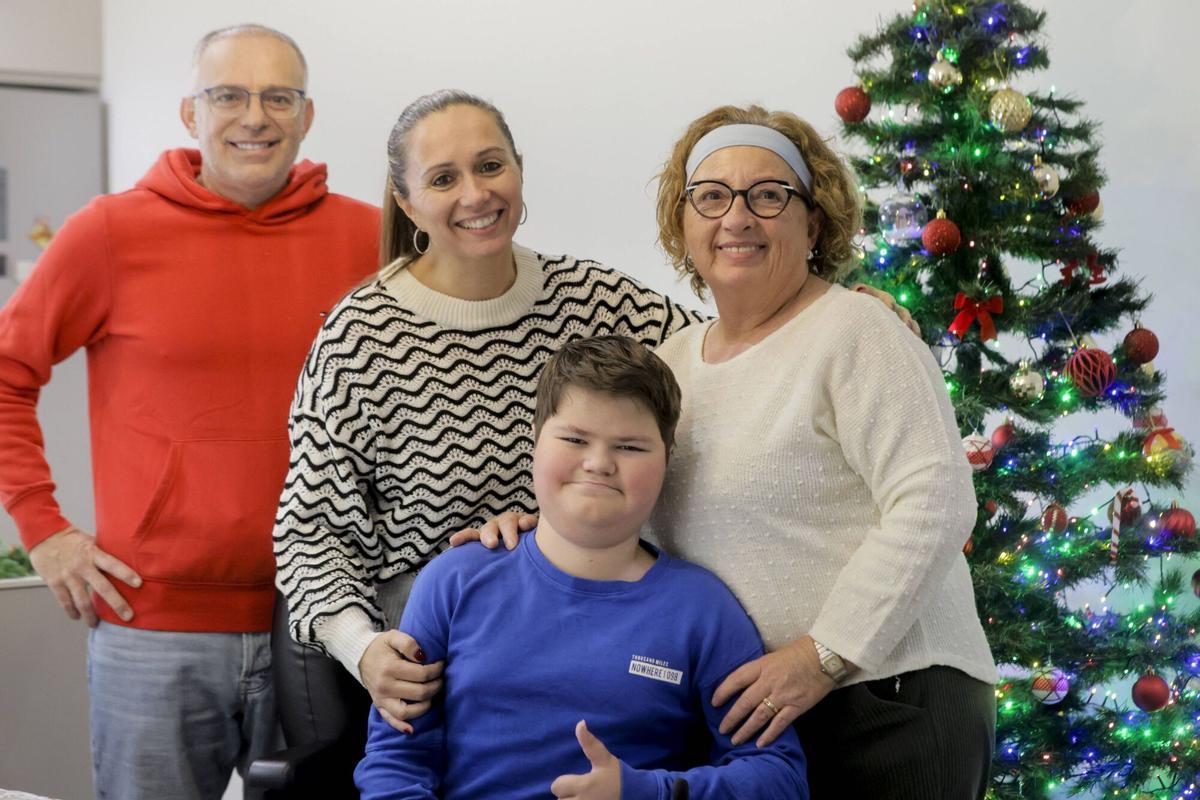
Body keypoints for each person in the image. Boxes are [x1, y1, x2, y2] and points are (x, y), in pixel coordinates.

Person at [273, 89, 907, 736]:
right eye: (443, 179)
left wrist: (843, 311)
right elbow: (308, 533)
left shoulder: (590, 300)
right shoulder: (361, 337)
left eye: (490, 166)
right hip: (436, 662)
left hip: (592, 642)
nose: (476, 194)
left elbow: (736, 346)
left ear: (519, 170)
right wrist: (362, 649)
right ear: (407, 203)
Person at [464, 105, 999, 798]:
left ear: (814, 222)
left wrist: (823, 655)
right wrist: (551, 528)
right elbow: (643, 501)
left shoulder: (858, 332)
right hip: (755, 723)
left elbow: (935, 503)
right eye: (711, 197)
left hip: (887, 701)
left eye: (768, 195)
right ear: (684, 224)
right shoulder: (674, 363)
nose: (737, 217)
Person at [0, 25, 380, 800]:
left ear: (306, 116)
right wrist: (43, 529)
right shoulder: (109, 233)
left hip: (326, 620)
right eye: (228, 95)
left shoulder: (371, 240)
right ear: (190, 112)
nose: (255, 116)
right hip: (154, 631)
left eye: (279, 97)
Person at [354, 335, 809, 799]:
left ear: (667, 460)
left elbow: (780, 777)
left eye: (630, 447)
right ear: (535, 440)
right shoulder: (453, 580)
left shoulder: (704, 610)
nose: (598, 464)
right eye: (574, 439)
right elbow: (396, 762)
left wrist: (649, 792)